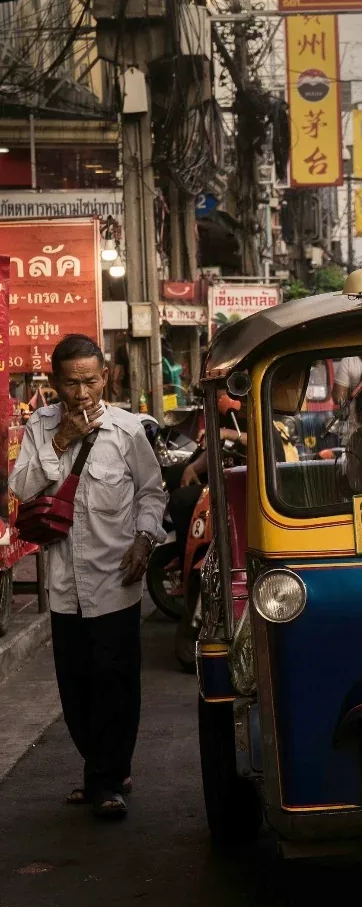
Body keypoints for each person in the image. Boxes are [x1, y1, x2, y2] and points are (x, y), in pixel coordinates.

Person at [9, 334, 165, 819]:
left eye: (90, 381)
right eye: (72, 383)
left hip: (115, 578)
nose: (82, 393)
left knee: (116, 682)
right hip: (63, 581)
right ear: (55, 382)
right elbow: (20, 487)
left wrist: (143, 540)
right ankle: (105, 768)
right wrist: (61, 442)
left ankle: (106, 779)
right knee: (75, 686)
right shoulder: (40, 425)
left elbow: (152, 493)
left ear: (106, 378)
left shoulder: (128, 430)